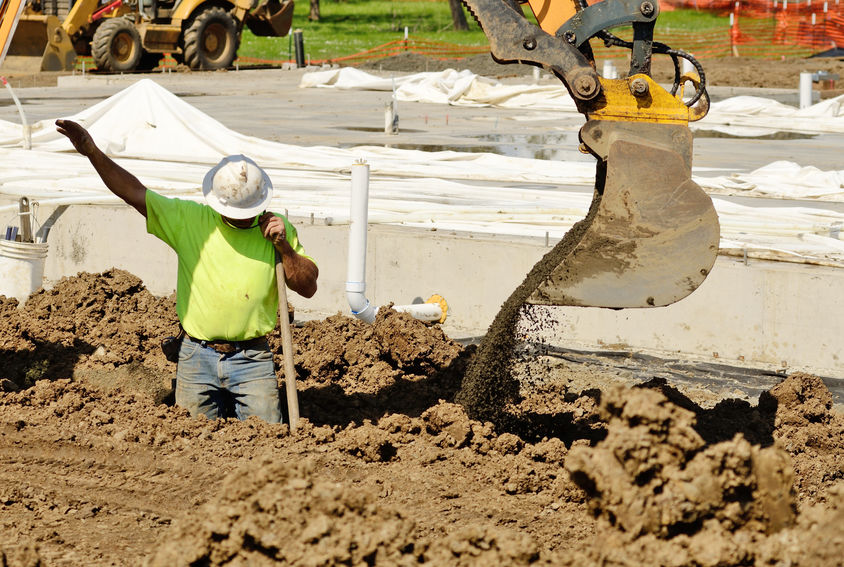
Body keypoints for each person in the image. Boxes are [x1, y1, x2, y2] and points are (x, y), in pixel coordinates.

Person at [55, 119, 319, 424]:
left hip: (252, 359)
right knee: (190, 440)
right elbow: (134, 192)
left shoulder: (275, 230)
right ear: (217, 204)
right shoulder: (190, 219)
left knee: (266, 440)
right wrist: (93, 153)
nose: (243, 220)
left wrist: (284, 249)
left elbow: (308, 286)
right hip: (197, 356)